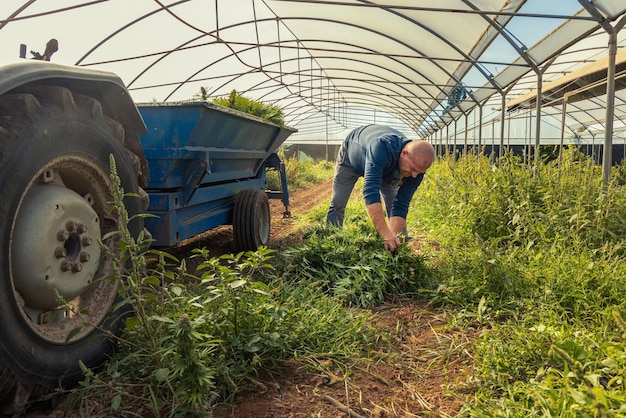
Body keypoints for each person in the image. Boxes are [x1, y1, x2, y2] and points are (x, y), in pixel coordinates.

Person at [326, 124, 435, 251]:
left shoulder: (417, 169)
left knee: (393, 202)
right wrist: (384, 233)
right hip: (350, 159)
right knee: (338, 201)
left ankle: (399, 244)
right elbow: (370, 191)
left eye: (419, 172)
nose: (414, 175)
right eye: (412, 169)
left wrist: (392, 238)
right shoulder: (381, 147)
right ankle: (331, 240)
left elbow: (401, 204)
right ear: (404, 154)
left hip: (387, 169)